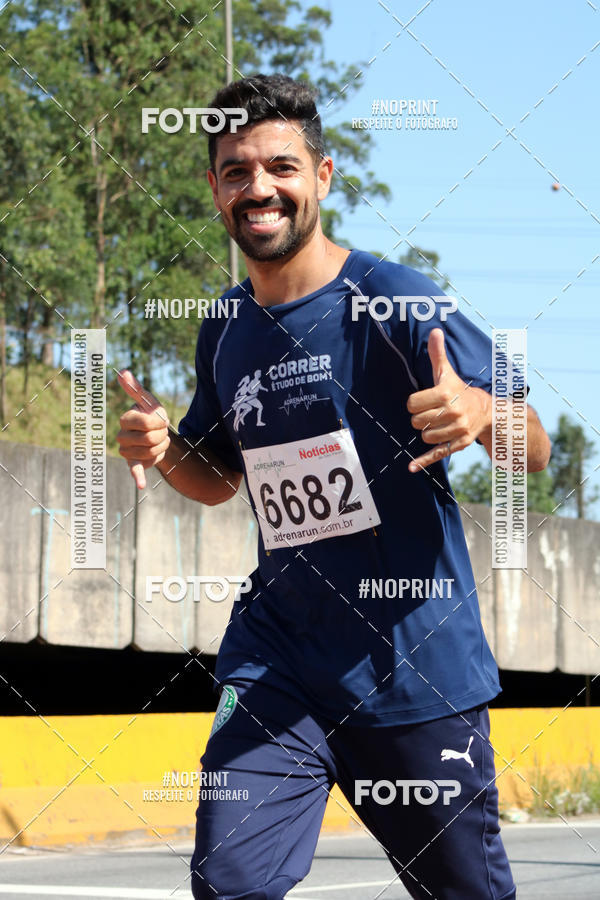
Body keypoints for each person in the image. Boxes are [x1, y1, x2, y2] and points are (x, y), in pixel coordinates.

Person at [117, 74, 551, 900]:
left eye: (280, 165)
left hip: (411, 667)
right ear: (215, 188)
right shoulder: (225, 326)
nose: (259, 187)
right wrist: (166, 448)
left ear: (321, 175)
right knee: (230, 883)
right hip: (277, 659)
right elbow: (218, 481)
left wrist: (482, 410)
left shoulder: (398, 299)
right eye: (237, 171)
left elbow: (532, 447)